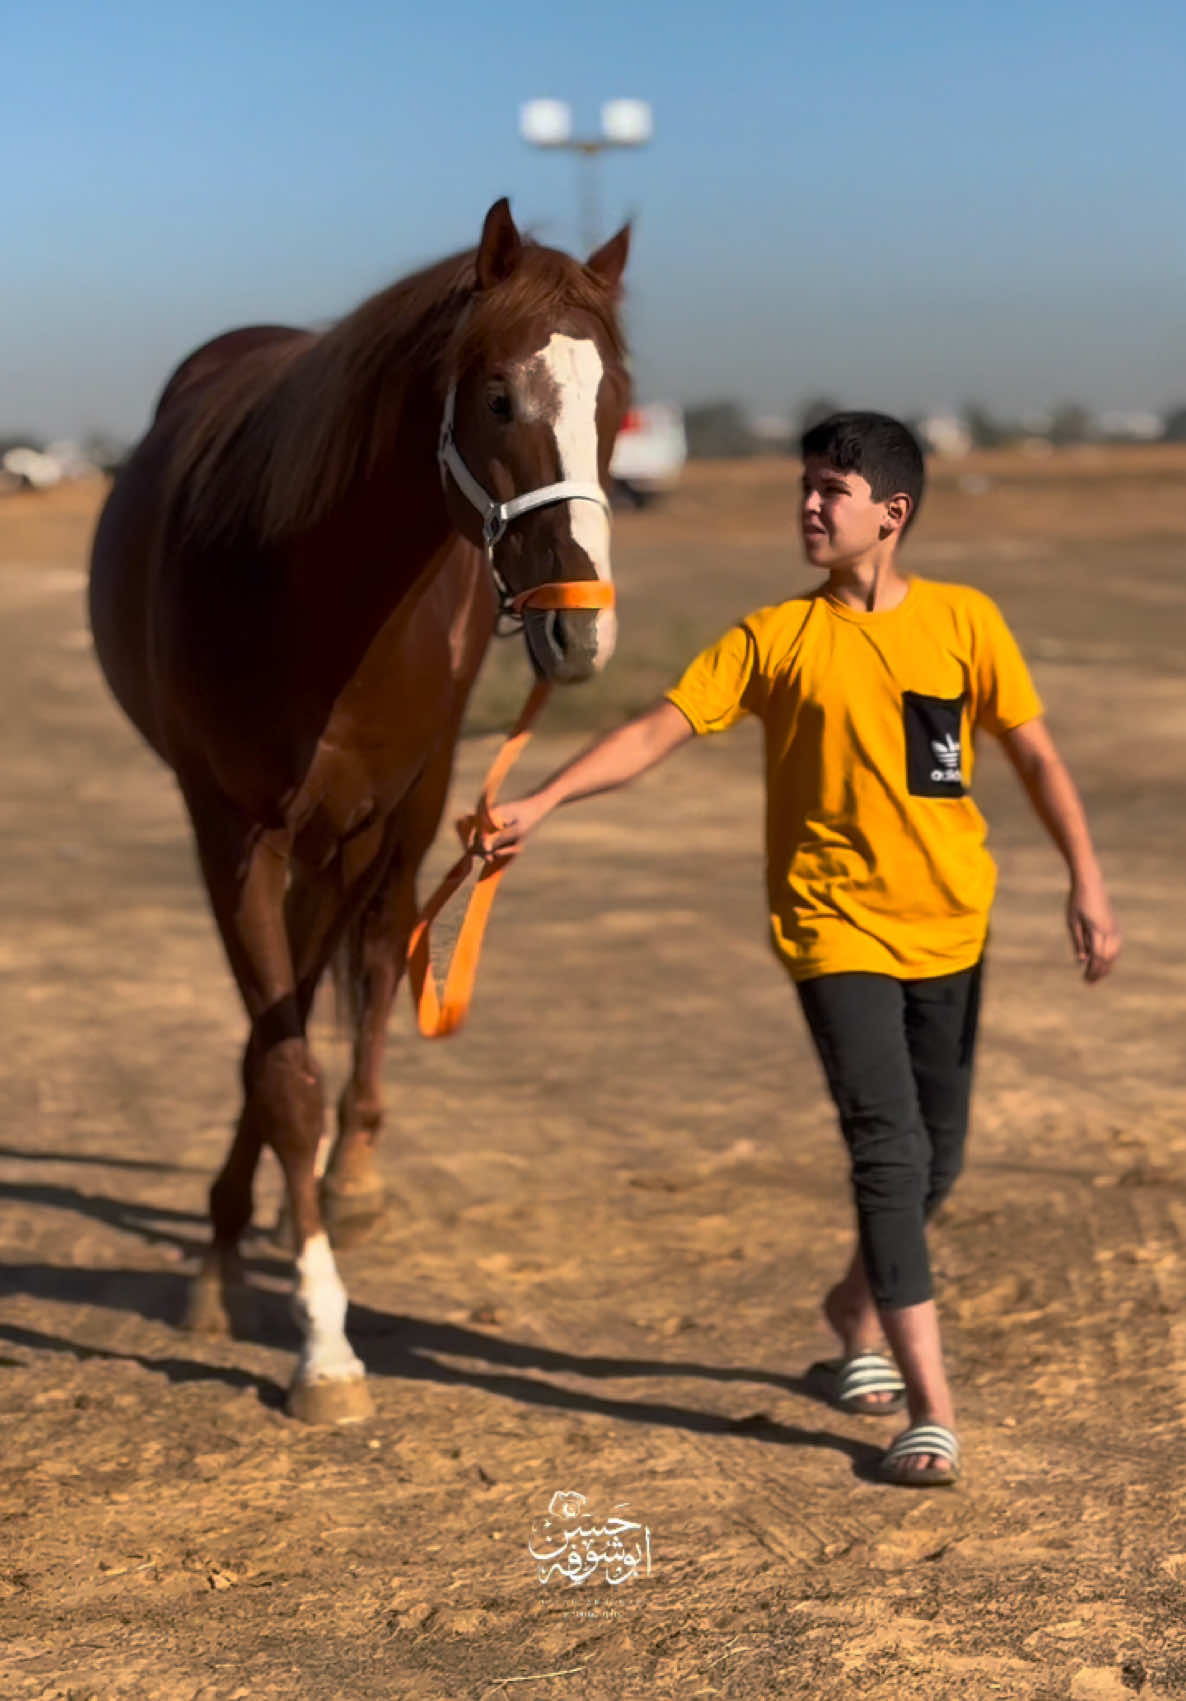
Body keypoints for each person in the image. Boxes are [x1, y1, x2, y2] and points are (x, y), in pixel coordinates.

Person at [477, 411, 1121, 1486]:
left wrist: (1086, 879)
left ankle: (852, 1304)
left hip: (952, 921)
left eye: (832, 489)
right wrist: (543, 801)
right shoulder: (775, 637)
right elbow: (656, 730)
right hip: (832, 929)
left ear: (891, 513)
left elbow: (1037, 757)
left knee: (939, 1159)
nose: (810, 506)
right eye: (805, 487)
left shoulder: (965, 624)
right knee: (888, 1149)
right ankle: (928, 1408)